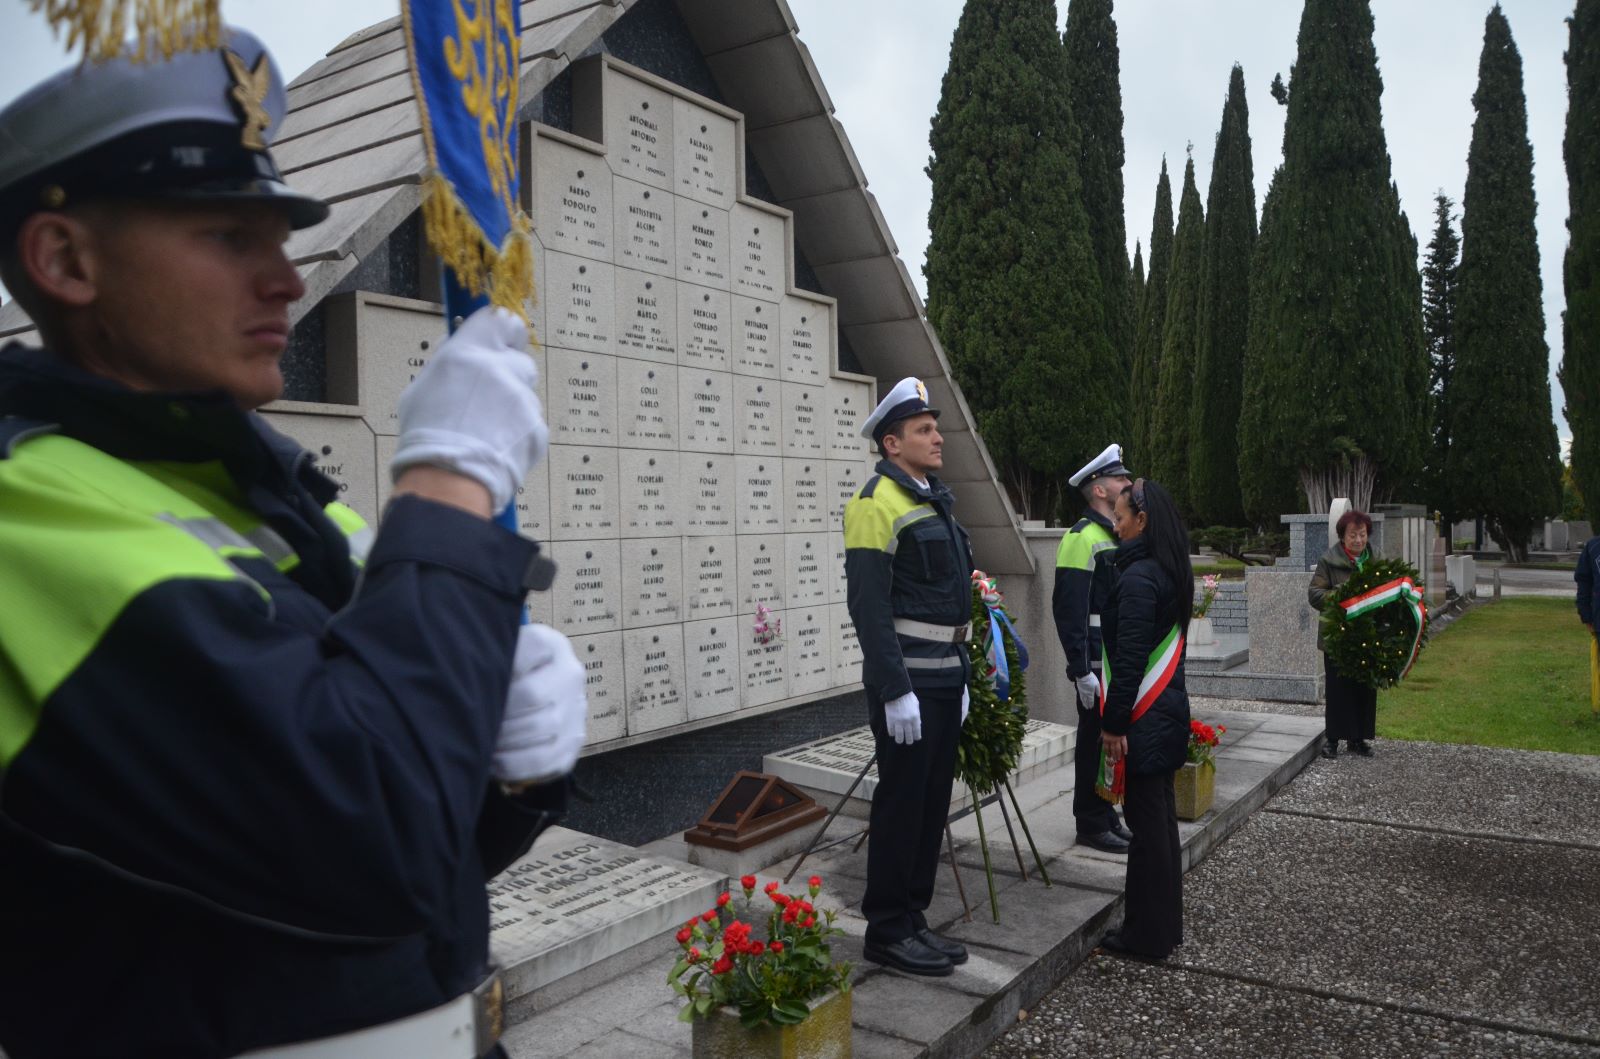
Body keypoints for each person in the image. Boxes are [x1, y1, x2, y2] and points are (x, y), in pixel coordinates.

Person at [0, 28, 586, 1058]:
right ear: (65, 260)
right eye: (230, 236)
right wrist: (448, 485)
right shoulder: (25, 518)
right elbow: (367, 836)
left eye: (280, 236)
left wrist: (506, 781)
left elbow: (403, 874)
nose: (282, 277)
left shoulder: (273, 493)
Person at [844, 376, 973, 977]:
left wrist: (964, 674)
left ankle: (913, 916)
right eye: (924, 429)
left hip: (945, 678)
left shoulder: (933, 500)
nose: (937, 437)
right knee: (901, 804)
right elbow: (870, 608)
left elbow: (949, 601)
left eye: (935, 427)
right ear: (892, 443)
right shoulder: (877, 504)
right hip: (910, 685)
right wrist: (894, 689)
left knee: (930, 804)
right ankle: (887, 928)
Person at [1098, 478, 1192, 961]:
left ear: (1142, 520)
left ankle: (1147, 937)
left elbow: (1131, 660)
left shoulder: (1137, 579)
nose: (1115, 527)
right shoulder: (1167, 570)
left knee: (1148, 831)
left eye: (1119, 518)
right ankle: (1162, 928)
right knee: (1160, 828)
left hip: (1143, 719)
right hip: (1165, 715)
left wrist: (1113, 725)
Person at [1054, 443, 1135, 855]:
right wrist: (1079, 669)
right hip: (1095, 659)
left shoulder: (1116, 534)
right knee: (1093, 741)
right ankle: (1088, 820)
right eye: (1120, 478)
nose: (1127, 483)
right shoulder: (1080, 538)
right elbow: (1069, 610)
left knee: (1114, 740)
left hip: (1116, 656)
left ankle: (1107, 813)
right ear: (1099, 490)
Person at [1308, 509, 1380, 758]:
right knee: (1338, 690)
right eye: (1353, 535)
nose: (1358, 540)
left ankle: (1358, 738)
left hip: (1366, 636)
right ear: (1342, 537)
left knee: (1364, 689)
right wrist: (1341, 594)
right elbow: (1315, 595)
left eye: (1362, 535)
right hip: (1337, 638)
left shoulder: (1375, 559)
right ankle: (1333, 739)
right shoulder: (1328, 561)